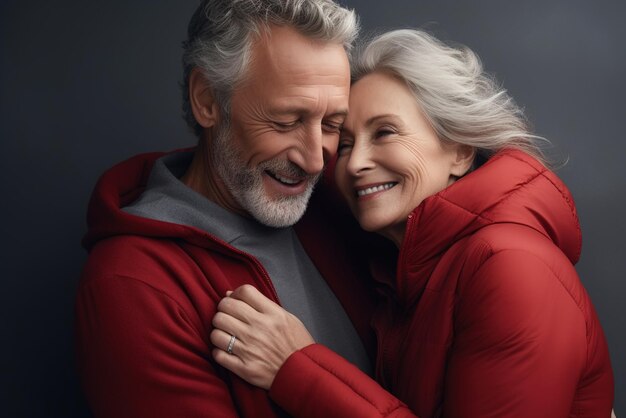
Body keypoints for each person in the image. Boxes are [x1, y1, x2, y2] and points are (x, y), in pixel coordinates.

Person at [210, 29, 615, 417]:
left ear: (459, 151)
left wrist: (297, 368)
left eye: (385, 132)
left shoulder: (510, 267)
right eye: (346, 143)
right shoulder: (411, 267)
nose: (355, 163)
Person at [75, 1, 394, 416]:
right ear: (207, 100)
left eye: (332, 124)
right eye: (285, 121)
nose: (317, 159)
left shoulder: (342, 202)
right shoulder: (133, 285)